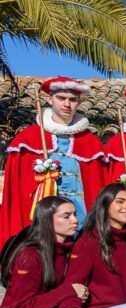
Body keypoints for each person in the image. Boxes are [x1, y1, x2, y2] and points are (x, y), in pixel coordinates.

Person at [0, 77, 107, 247]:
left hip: (80, 220)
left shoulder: (91, 143)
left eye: (72, 100)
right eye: (61, 98)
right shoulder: (28, 138)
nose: (67, 104)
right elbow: (18, 188)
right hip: (42, 220)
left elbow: (98, 185)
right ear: (49, 99)